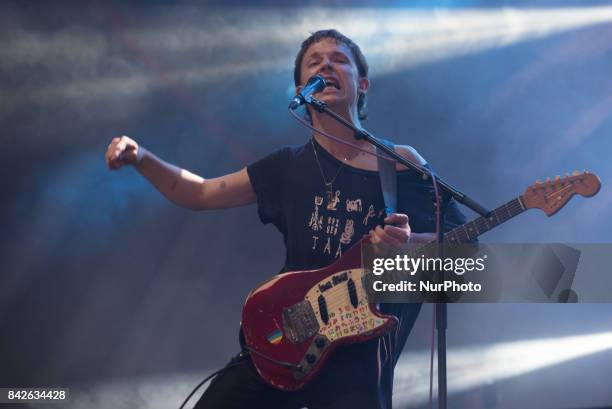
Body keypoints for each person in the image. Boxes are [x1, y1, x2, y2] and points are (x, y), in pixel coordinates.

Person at [105, 29, 467, 409]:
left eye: (339, 59)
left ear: (361, 84)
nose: (326, 63)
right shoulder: (287, 167)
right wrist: (140, 157)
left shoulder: (399, 161)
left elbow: (464, 249)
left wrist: (411, 243)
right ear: (302, 88)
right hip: (288, 334)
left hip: (358, 356)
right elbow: (198, 193)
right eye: (315, 61)